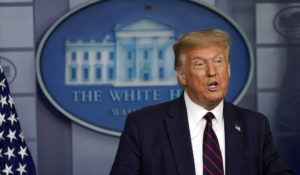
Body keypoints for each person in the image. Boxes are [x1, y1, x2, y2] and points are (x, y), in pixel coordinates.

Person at [110, 29, 293, 175]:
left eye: (219, 61)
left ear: (228, 70)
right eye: (200, 64)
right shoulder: (144, 126)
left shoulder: (255, 125)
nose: (212, 71)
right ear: (182, 76)